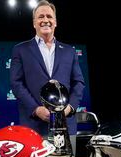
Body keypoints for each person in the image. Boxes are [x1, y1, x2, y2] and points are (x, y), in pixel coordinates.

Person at [10, 0, 85, 136]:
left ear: (55, 22)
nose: (45, 20)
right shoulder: (20, 50)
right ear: (34, 23)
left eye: (49, 16)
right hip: (34, 125)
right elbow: (16, 83)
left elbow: (78, 82)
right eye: (41, 17)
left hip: (65, 124)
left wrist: (70, 107)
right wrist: (35, 109)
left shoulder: (70, 51)